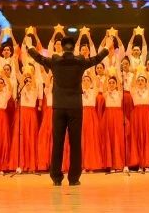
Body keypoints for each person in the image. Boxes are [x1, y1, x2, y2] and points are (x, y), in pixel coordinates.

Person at [27, 34, 109, 186]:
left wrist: (30, 46)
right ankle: (74, 178)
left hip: (59, 106)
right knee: (75, 143)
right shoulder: (80, 61)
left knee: (58, 142)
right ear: (73, 47)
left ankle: (56, 178)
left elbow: (39, 58)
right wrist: (106, 48)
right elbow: (96, 59)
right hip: (75, 107)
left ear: (63, 47)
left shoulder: (55, 60)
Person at [100, 74, 127, 172]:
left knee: (117, 139)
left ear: (116, 85)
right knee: (109, 139)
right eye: (110, 83)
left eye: (113, 83)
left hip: (117, 116)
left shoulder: (119, 93)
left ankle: (118, 164)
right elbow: (103, 88)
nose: (111, 84)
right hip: (108, 117)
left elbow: (120, 85)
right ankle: (110, 165)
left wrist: (116, 74)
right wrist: (107, 77)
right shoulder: (106, 94)